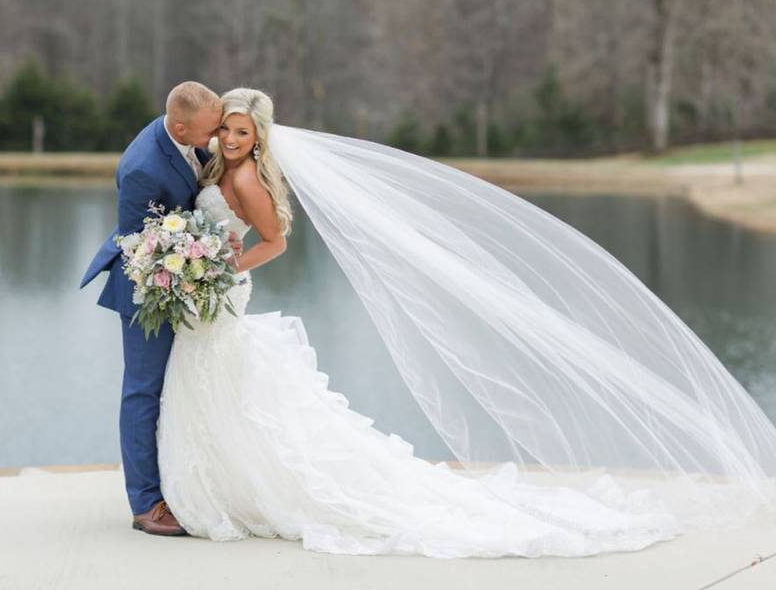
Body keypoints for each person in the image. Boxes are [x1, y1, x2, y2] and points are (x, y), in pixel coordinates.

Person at [151, 87, 776, 557]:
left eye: (239, 131)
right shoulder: (216, 166)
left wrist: (226, 266)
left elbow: (275, 242)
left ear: (257, 136)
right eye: (225, 129)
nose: (229, 138)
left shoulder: (250, 181)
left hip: (224, 291)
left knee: (223, 379)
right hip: (212, 295)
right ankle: (225, 482)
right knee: (219, 385)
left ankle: (239, 488)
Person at [79, 81, 241, 536]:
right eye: (211, 130)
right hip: (147, 289)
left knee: (185, 386)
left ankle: (186, 486)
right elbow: (143, 248)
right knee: (143, 391)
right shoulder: (142, 170)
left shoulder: (188, 136)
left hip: (186, 281)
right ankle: (146, 504)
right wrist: (208, 247)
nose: (216, 139)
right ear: (180, 125)